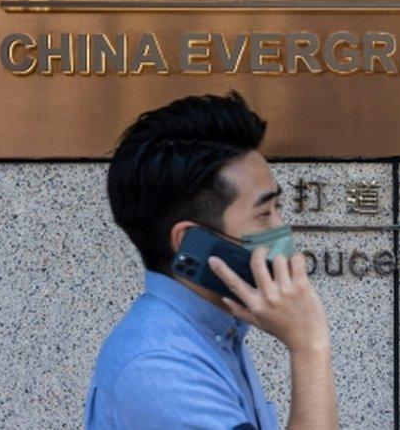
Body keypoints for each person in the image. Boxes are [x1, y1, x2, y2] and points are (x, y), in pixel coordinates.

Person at [83, 90, 339, 429]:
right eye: (264, 214)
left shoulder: (214, 334)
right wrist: (309, 346)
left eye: (278, 208)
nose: (282, 229)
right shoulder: (161, 367)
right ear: (192, 243)